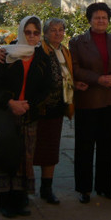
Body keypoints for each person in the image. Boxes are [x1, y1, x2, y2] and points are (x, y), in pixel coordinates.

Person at [0, 15, 51, 218]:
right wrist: (10, 102)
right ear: (21, 32)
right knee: (4, 155)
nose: (31, 36)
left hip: (28, 114)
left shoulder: (42, 57)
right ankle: (4, 202)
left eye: (36, 33)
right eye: (28, 32)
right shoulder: (7, 53)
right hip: (4, 113)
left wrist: (28, 105)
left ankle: (20, 200)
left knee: (24, 158)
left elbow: (47, 87)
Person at [69, 2, 111, 204]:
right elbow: (75, 69)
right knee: (85, 146)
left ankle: (105, 187)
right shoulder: (77, 42)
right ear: (89, 20)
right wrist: (98, 79)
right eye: (97, 17)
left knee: (107, 147)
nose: (101, 21)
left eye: (104, 17)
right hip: (88, 101)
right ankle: (84, 188)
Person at [32, 17, 85, 205]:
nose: (58, 33)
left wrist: (74, 85)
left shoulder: (64, 51)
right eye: (53, 30)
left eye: (61, 30)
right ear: (45, 33)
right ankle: (24, 187)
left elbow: (66, 75)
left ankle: (46, 188)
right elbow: (7, 49)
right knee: (30, 149)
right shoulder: (37, 48)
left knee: (51, 150)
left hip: (56, 109)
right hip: (38, 109)